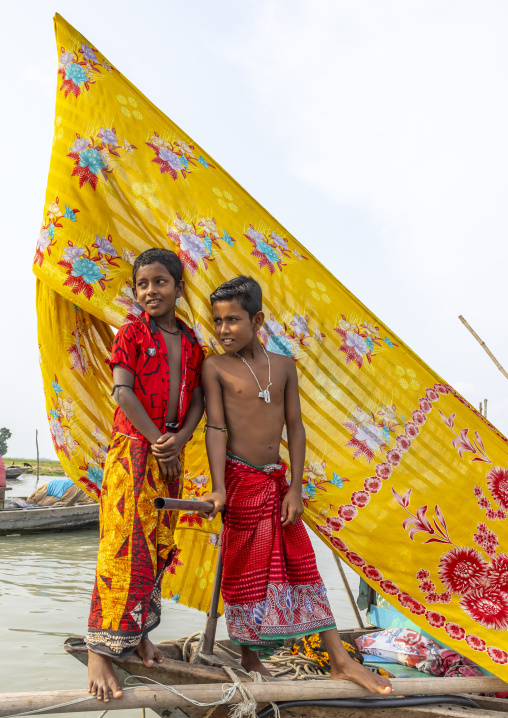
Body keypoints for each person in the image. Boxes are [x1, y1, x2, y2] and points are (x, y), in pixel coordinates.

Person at [199, 276, 392, 694]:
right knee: (244, 571)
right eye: (217, 321)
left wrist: (295, 489)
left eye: (233, 319)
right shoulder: (215, 366)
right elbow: (215, 428)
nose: (223, 329)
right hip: (240, 479)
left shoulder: (283, 366)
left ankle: (340, 660)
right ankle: (250, 655)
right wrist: (218, 488)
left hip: (276, 481)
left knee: (303, 565)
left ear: (258, 319)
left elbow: (296, 427)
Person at [86, 248, 204, 701]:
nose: (151, 291)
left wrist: (180, 439)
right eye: (143, 284)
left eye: (160, 282)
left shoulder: (193, 342)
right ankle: (100, 649)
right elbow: (122, 393)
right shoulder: (131, 334)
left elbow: (196, 400)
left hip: (168, 454)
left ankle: (135, 636)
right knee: (121, 547)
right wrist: (159, 441)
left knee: (154, 549)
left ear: (178, 287)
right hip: (134, 452)